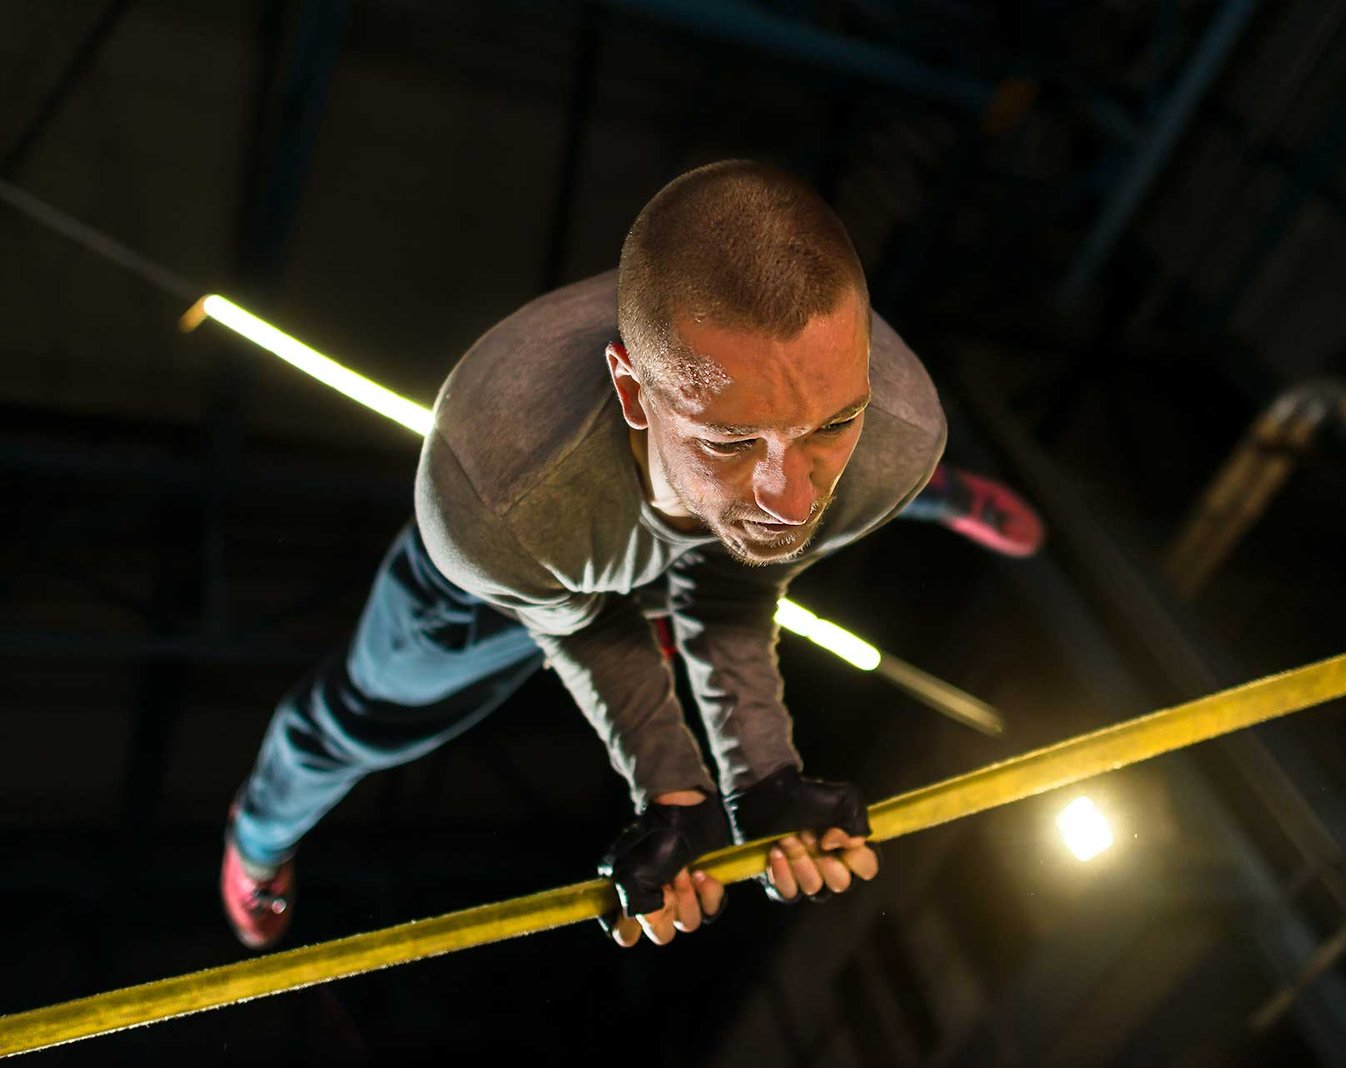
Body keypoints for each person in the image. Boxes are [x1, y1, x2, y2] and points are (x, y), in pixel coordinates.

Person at [220, 159, 1036, 952]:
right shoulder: (494, 496)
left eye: (834, 421)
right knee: (359, 717)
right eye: (731, 438)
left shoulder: (896, 429)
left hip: (706, 506)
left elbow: (731, 592)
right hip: (513, 568)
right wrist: (673, 789)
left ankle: (917, 485)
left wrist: (764, 782)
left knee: (836, 481)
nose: (791, 498)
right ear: (632, 391)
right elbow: (590, 628)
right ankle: (256, 840)